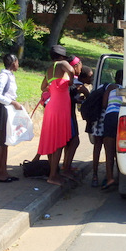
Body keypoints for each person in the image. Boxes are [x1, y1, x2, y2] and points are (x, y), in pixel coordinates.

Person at [37, 45, 75, 186]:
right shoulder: (62, 64)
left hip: (51, 106)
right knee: (58, 141)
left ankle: (53, 173)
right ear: (61, 56)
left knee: (53, 139)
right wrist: (70, 81)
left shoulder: (49, 69)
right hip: (60, 107)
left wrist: (54, 87)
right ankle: (53, 175)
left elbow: (42, 87)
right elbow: (71, 70)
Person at [0, 54, 23, 182]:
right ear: (13, 62)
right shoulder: (4, 76)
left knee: (5, 142)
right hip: (2, 111)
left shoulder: (9, 75)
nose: (18, 64)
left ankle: (3, 172)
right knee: (1, 142)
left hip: (7, 110)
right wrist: (12, 102)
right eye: (17, 61)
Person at [62, 58, 92, 176]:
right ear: (74, 66)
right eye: (80, 65)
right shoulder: (75, 83)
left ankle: (66, 164)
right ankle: (66, 167)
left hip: (66, 112)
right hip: (68, 114)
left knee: (69, 141)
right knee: (75, 141)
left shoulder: (66, 79)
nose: (81, 68)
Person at [101, 69, 123, 191]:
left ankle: (110, 178)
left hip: (110, 116)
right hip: (123, 118)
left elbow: (104, 104)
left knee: (109, 152)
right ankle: (121, 178)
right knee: (120, 152)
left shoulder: (111, 87)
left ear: (116, 78)